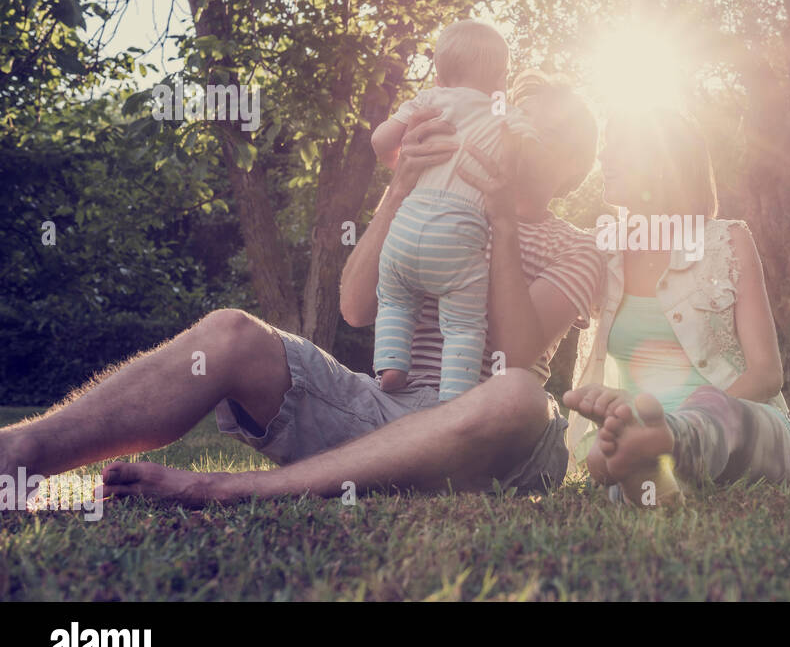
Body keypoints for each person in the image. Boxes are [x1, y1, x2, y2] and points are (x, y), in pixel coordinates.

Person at [0, 71, 603, 505]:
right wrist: (401, 189)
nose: (520, 140)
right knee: (230, 331)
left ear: (568, 165)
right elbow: (357, 307)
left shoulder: (576, 248)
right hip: (385, 416)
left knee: (519, 393)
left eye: (542, 136)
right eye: (516, 122)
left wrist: (498, 218)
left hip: (489, 441)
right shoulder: (432, 205)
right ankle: (22, 453)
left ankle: (227, 491)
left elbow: (517, 351)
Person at [564, 108, 790, 509]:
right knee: (604, 452)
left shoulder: (726, 242)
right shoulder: (600, 250)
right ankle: (648, 469)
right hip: (642, 426)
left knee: (711, 413)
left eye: (620, 147)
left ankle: (663, 449)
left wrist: (692, 423)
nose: (604, 158)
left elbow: (767, 374)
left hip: (744, 429)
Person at [369, 19, 538, 397]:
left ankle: (392, 367)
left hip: (405, 229)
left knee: (394, 299)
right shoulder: (505, 113)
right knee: (464, 325)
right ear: (501, 78)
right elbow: (530, 158)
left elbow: (380, 141)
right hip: (457, 236)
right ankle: (455, 397)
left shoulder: (429, 100)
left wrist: (399, 160)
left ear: (441, 75)